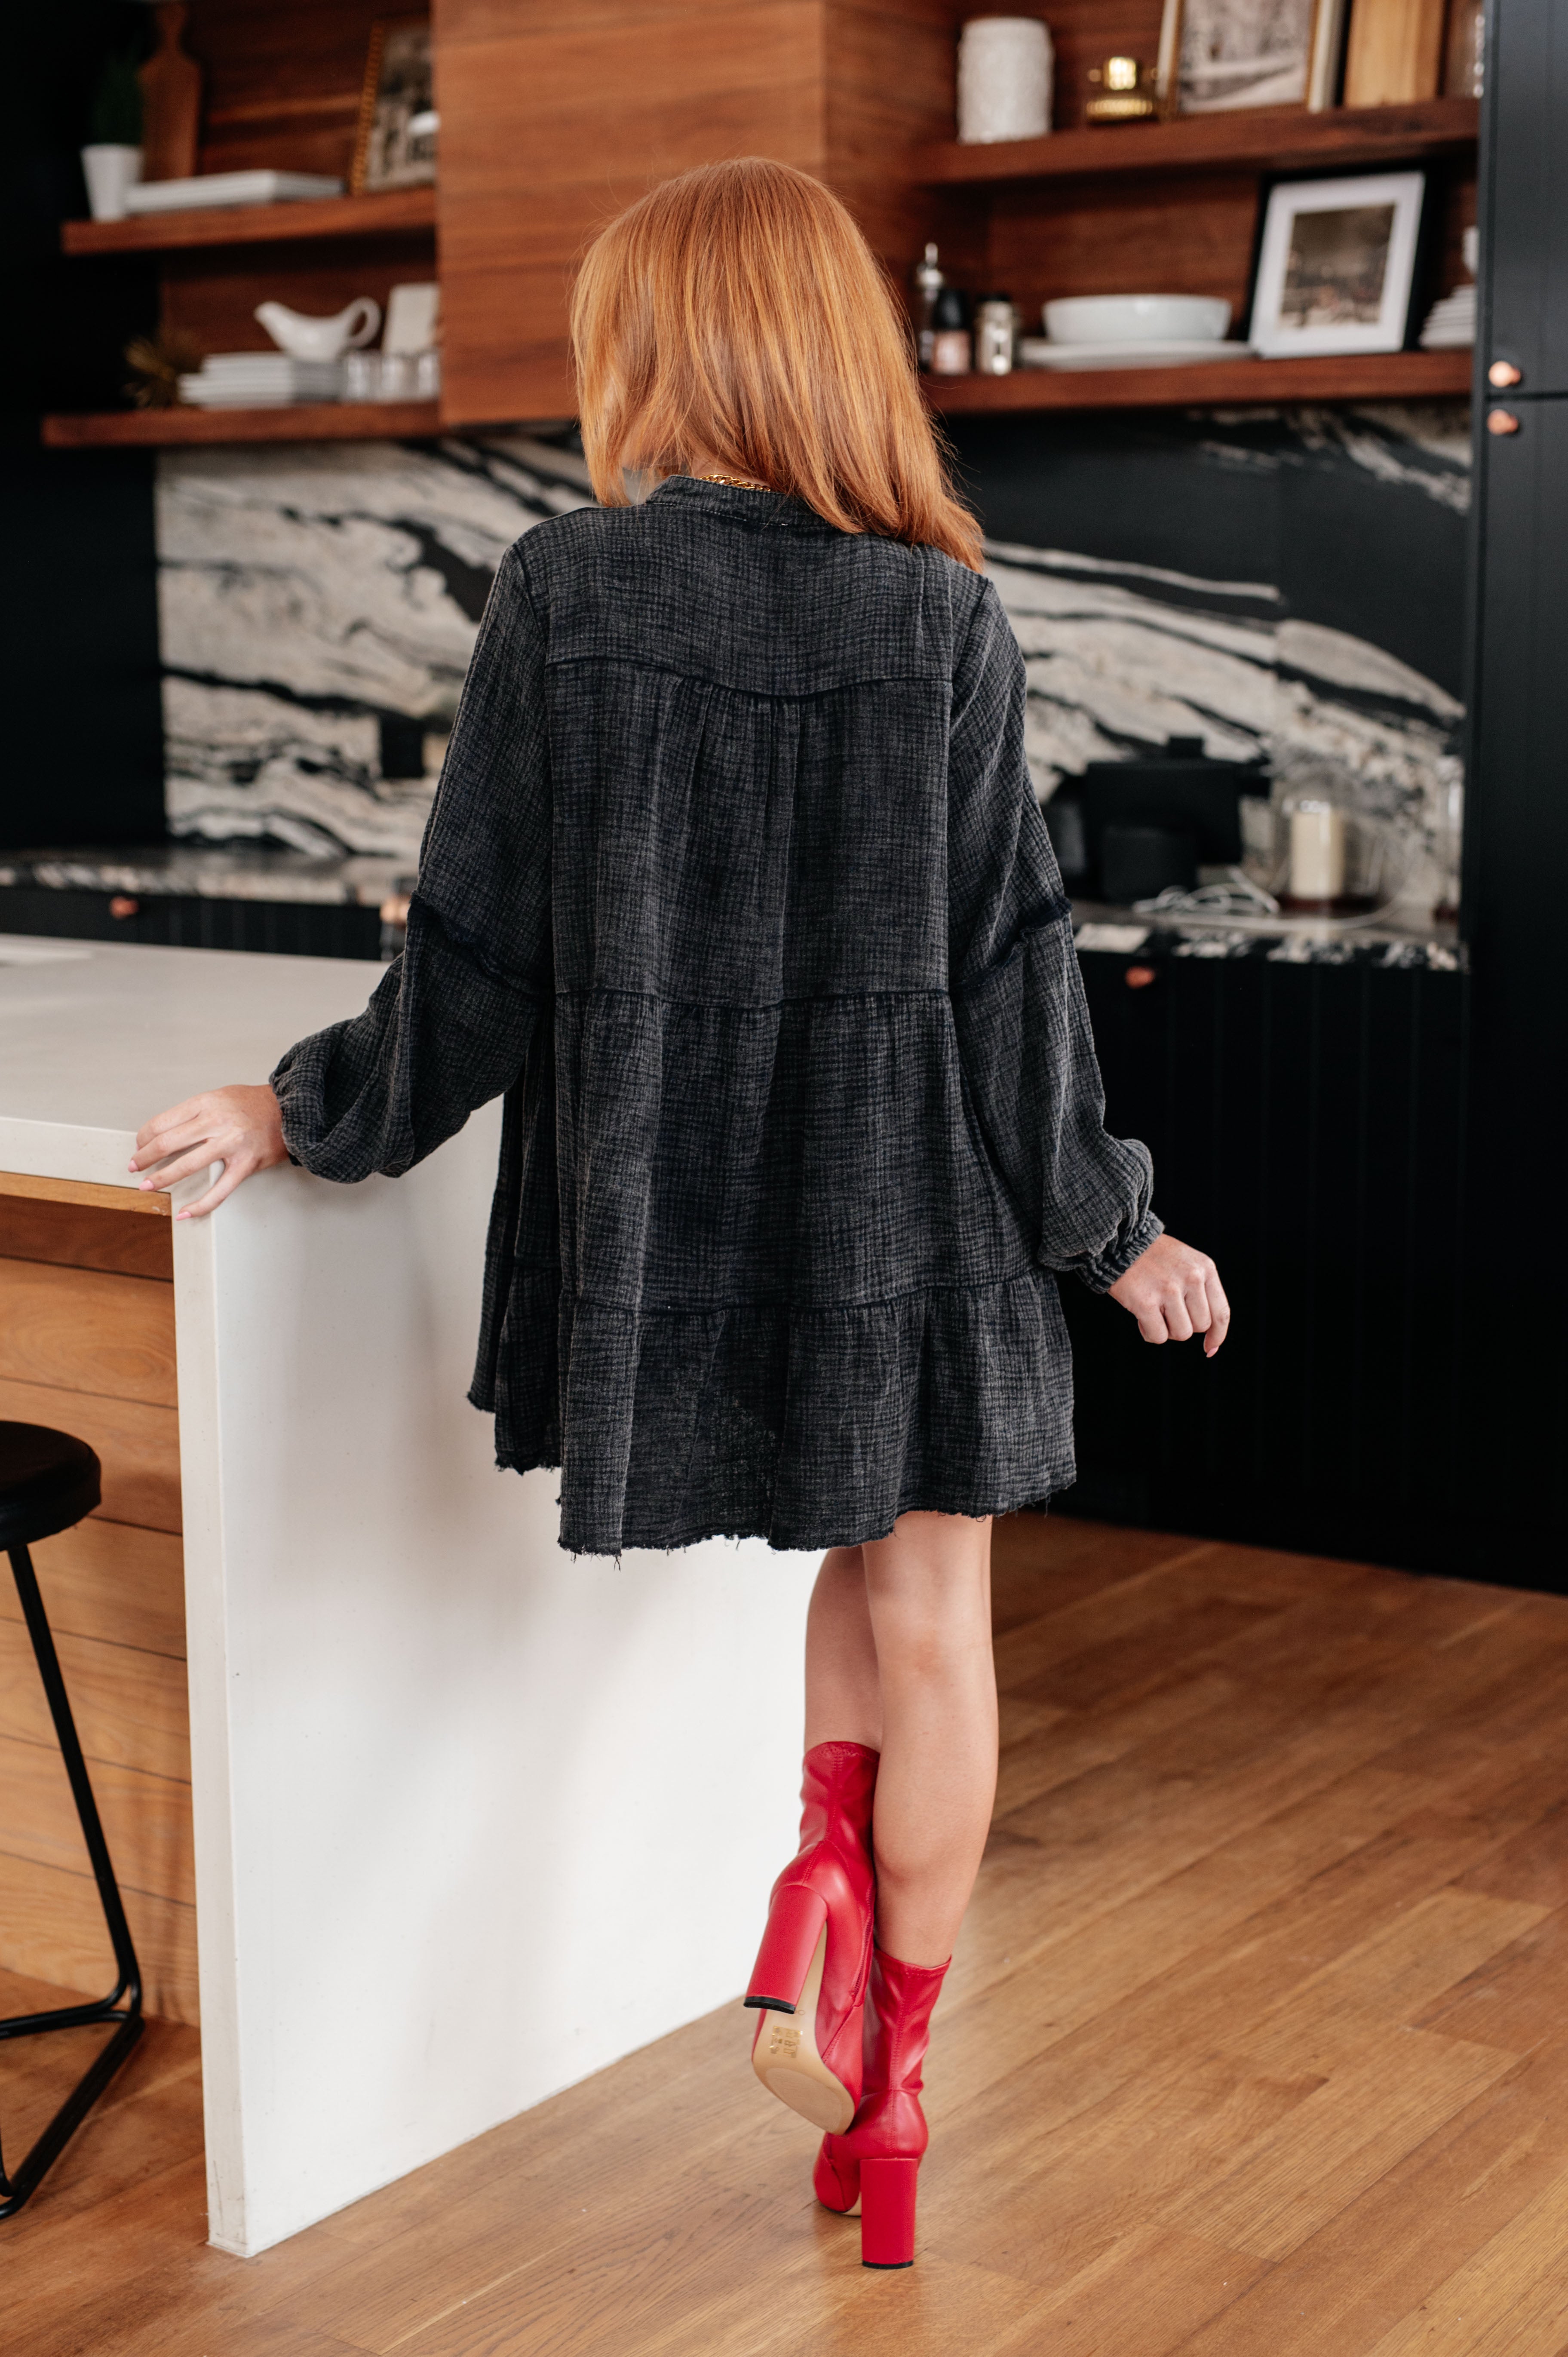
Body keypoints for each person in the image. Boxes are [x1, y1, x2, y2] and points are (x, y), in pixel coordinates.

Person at [132, 157, 1228, 2270]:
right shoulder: (942, 612)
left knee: (844, 1572)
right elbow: (1018, 973)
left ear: (671, 347)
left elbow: (476, 950)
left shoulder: (568, 591)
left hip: (689, 1217)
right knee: (929, 1617)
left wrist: (305, 1116)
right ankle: (893, 2075)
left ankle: (818, 1888)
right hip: (916, 1223)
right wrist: (1110, 1229)